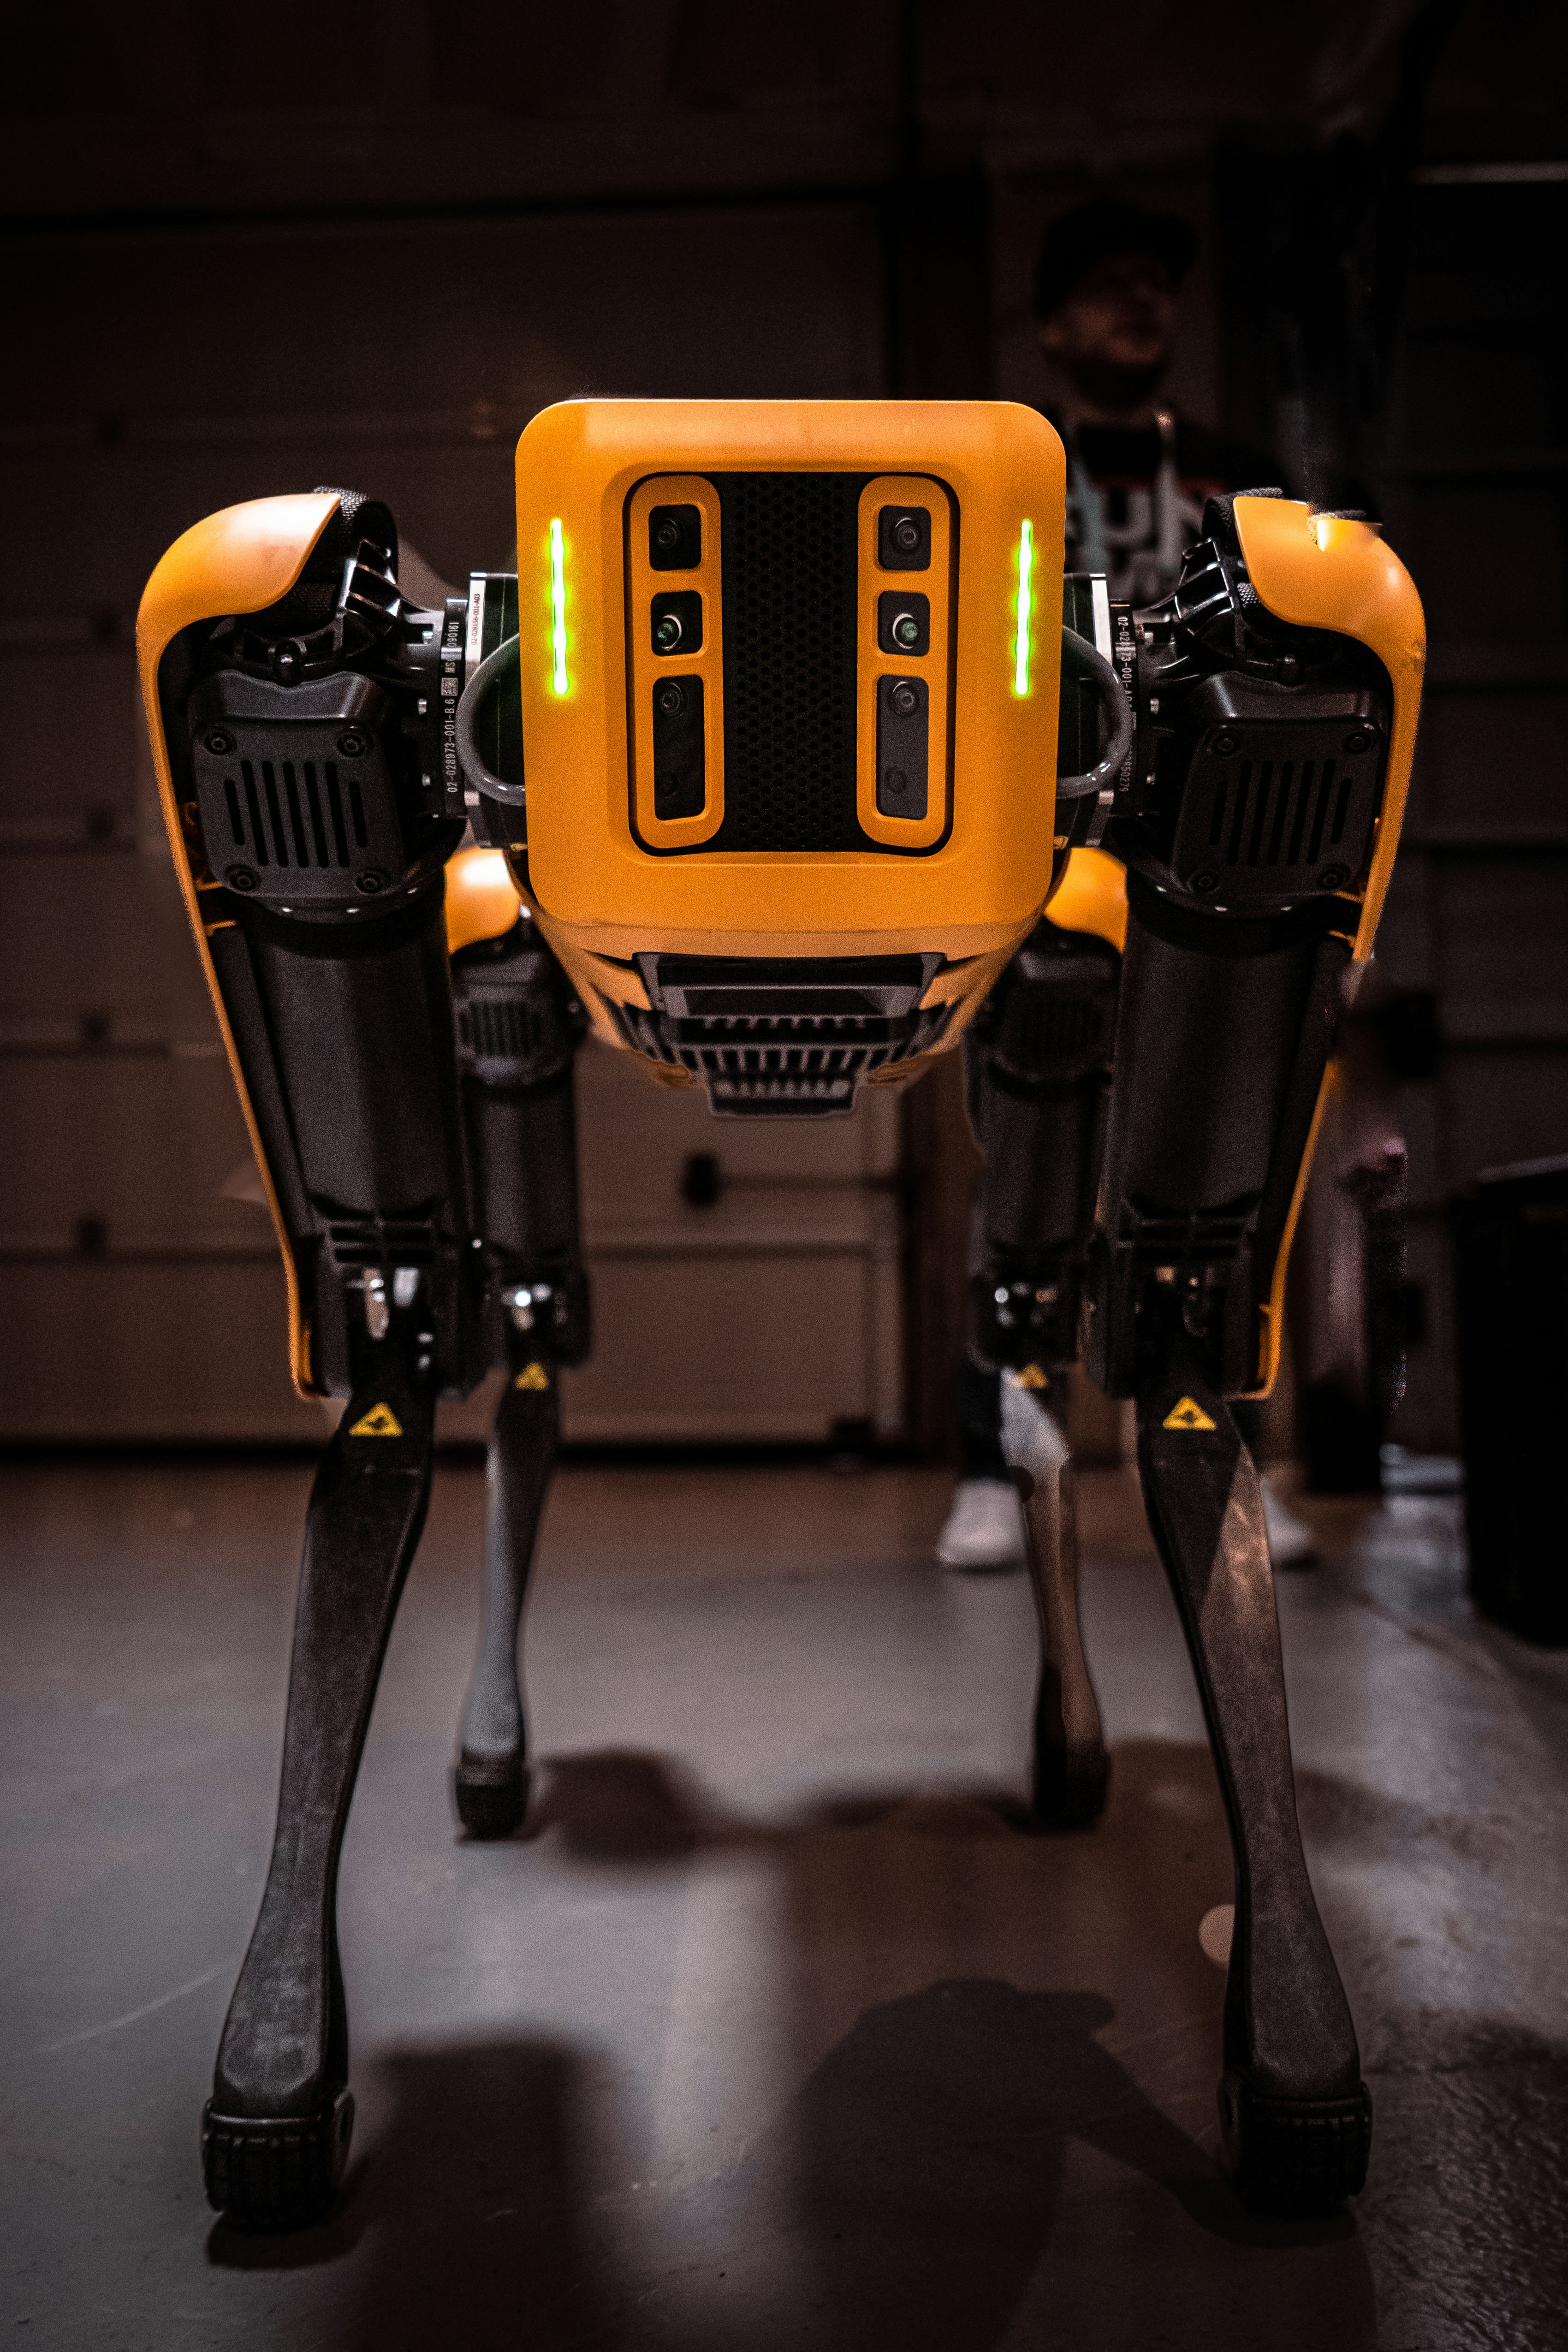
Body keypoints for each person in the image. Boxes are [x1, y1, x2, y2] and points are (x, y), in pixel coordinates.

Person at [936, 196, 1316, 1573]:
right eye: (1108, 286)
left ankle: (1203, 1442)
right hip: (1035, 870)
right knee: (1025, 1164)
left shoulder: (1241, 481)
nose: (1141, 303)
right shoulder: (997, 480)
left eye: (1158, 283)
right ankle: (999, 1458)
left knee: (1208, 1164)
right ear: (1051, 324)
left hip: (1201, 869)